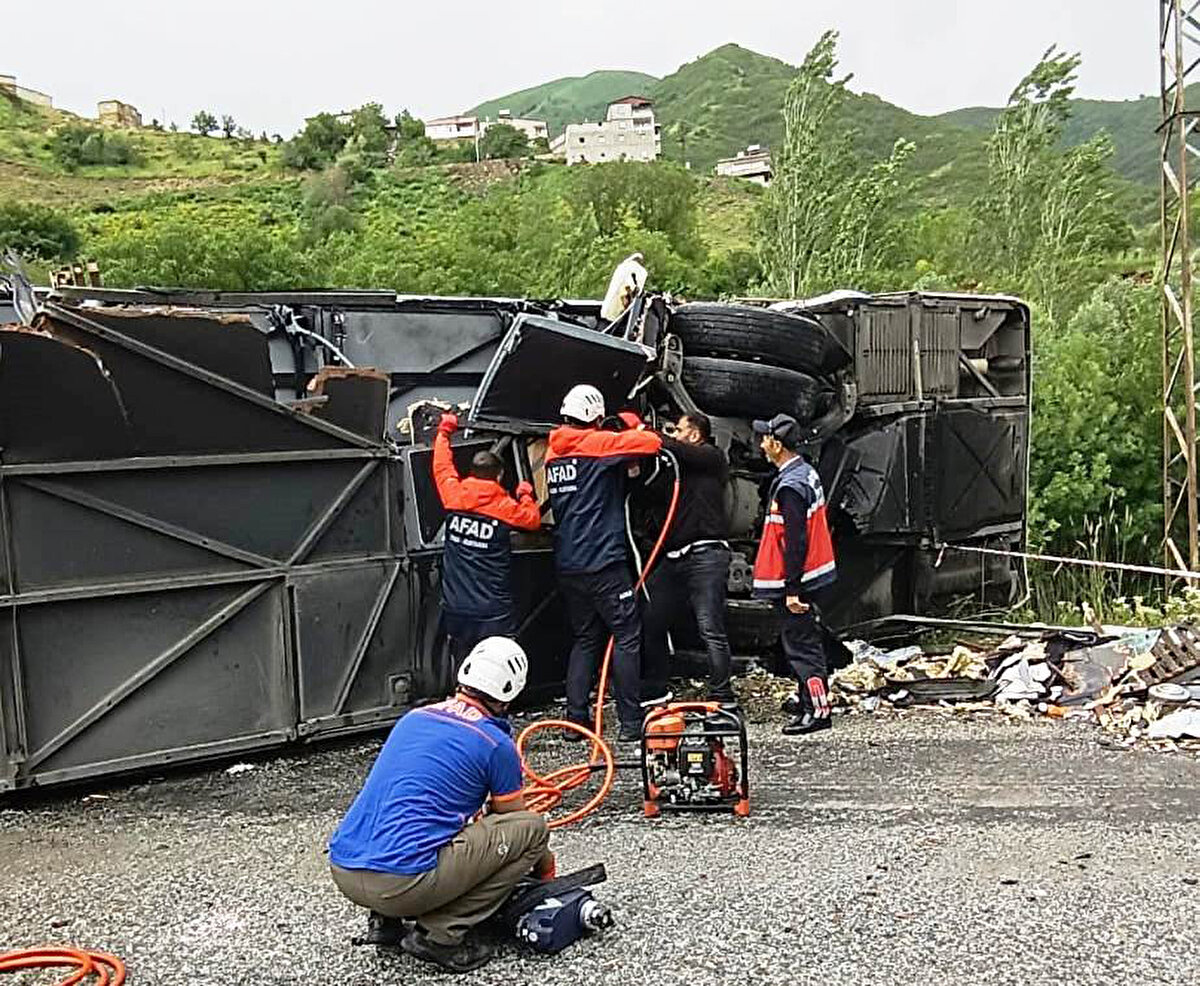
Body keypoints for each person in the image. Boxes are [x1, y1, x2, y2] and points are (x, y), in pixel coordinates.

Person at [328, 637, 553, 974]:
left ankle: (384, 924)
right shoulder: (495, 743)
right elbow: (514, 822)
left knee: (410, 817)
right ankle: (440, 935)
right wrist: (545, 869)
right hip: (401, 885)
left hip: (344, 870)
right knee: (534, 830)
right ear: (511, 693)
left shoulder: (415, 718)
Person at [546, 384, 662, 742]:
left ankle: (576, 720)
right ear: (595, 418)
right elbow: (652, 444)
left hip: (569, 563)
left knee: (585, 639)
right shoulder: (596, 445)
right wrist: (630, 428)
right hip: (603, 561)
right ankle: (629, 722)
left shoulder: (553, 453)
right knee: (627, 635)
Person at [641, 412, 736, 706]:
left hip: (706, 554)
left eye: (679, 430)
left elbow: (677, 449)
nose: (676, 435)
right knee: (649, 619)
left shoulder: (712, 458)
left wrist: (647, 433)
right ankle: (656, 688)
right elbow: (652, 495)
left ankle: (723, 694)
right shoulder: (675, 470)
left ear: (695, 435)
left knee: (709, 626)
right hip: (674, 558)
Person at [751, 413, 838, 736]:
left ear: (777, 443)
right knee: (801, 641)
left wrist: (791, 589)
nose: (761, 445)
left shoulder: (791, 486)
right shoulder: (804, 472)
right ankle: (808, 699)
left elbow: (795, 542)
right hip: (811, 575)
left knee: (803, 647)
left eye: (765, 439)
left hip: (798, 580)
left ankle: (818, 710)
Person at [433, 412, 541, 661]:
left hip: (456, 607)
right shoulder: (504, 508)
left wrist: (444, 433)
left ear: (471, 472)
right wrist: (525, 494)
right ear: (499, 476)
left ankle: (463, 699)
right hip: (492, 611)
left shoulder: (454, 496)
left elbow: (442, 467)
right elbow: (532, 520)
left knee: (463, 665)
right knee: (496, 664)